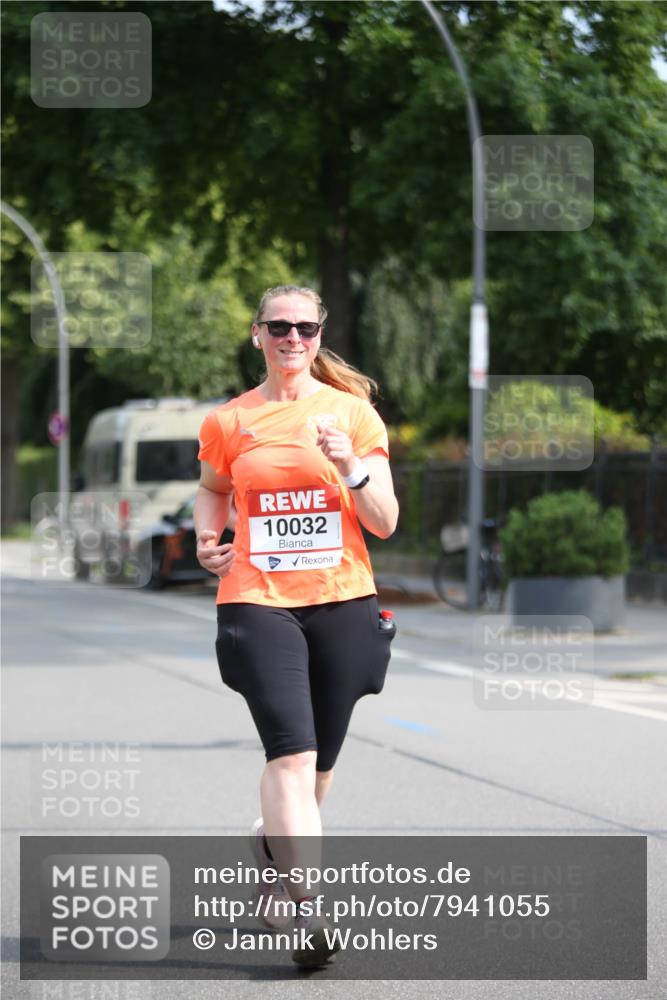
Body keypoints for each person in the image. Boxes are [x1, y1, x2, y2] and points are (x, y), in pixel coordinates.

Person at [194, 284, 399, 967]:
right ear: (257, 334)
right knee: (290, 751)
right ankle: (310, 907)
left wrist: (348, 466)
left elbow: (385, 524)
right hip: (254, 598)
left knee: (320, 763)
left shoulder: (353, 415)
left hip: (341, 598)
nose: (292, 338)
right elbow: (213, 490)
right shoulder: (229, 421)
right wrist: (206, 539)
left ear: (318, 335)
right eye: (278, 326)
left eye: (304, 328)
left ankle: (272, 849)